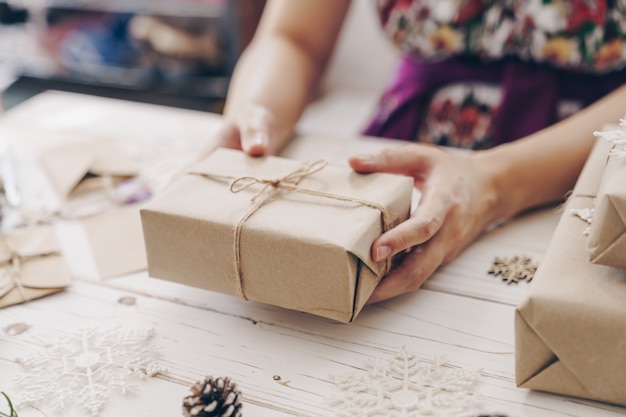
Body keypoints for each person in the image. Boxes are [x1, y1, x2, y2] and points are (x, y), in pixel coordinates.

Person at [211, 0, 626, 304]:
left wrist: (493, 183)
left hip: (587, 165)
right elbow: (294, 37)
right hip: (404, 154)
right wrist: (256, 111)